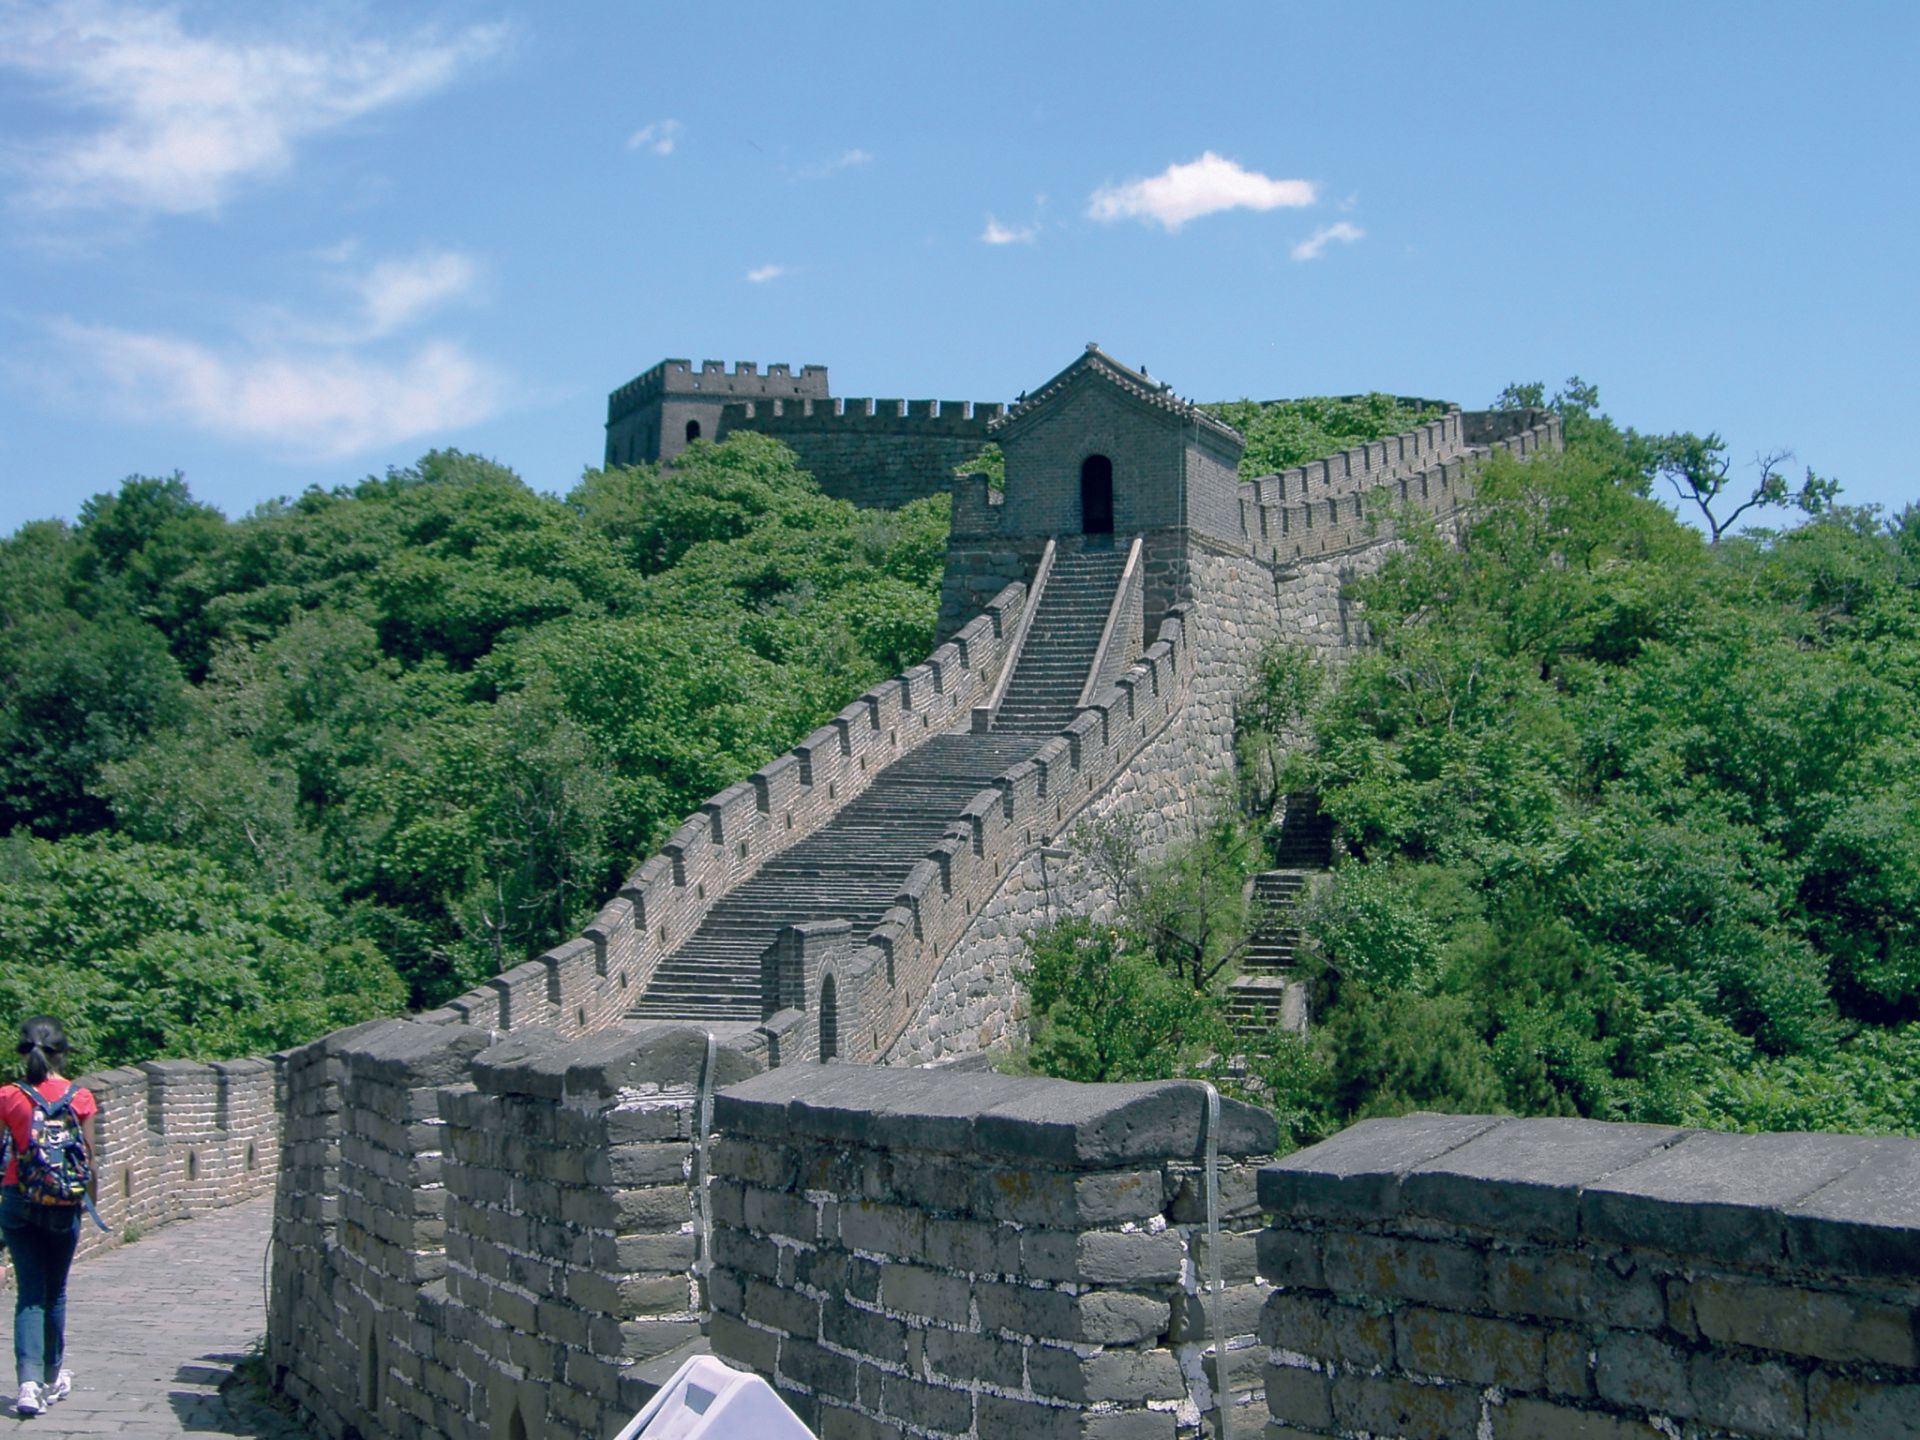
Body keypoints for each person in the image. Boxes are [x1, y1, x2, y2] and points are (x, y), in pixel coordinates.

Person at [0, 1017, 96, 1418]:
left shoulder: (7, 1096)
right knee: (54, 1292)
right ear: (62, 1053)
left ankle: (27, 1383)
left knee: (30, 1293)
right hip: (63, 1203)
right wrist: (89, 1204)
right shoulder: (81, 1097)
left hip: (18, 1199)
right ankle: (52, 1377)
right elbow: (89, 1161)